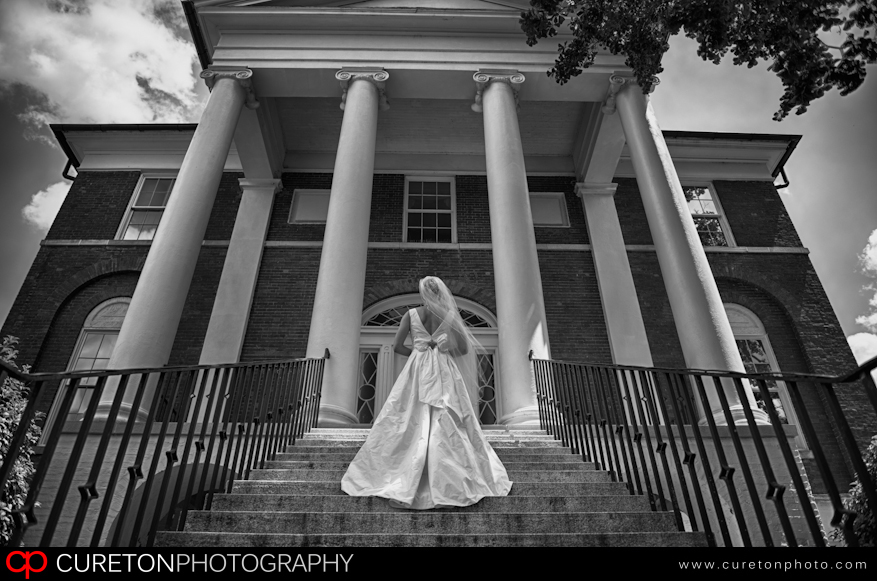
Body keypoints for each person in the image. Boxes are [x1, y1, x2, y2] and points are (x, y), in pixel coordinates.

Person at [340, 276, 512, 509]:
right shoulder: (450, 315)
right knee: (448, 416)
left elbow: (398, 345)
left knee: (407, 414)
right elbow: (462, 350)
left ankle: (401, 474)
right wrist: (444, 347)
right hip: (444, 369)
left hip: (418, 367)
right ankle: (449, 481)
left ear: (423, 293)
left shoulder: (410, 315)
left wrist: (418, 349)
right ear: (441, 292)